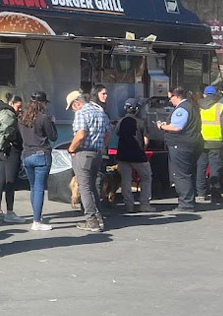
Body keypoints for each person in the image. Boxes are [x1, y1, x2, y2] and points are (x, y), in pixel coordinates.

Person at [67, 90, 111, 232]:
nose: (72, 110)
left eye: (71, 107)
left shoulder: (82, 113)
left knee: (84, 188)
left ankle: (91, 219)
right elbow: (108, 134)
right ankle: (98, 218)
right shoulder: (100, 112)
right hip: (96, 154)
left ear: (77, 102)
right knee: (92, 187)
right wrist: (100, 147)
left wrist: (71, 149)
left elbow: (80, 135)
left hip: (83, 153)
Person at [156, 87, 203, 213]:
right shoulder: (192, 106)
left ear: (175, 96)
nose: (170, 101)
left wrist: (162, 126)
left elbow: (176, 127)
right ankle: (190, 201)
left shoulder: (182, 109)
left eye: (170, 98)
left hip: (181, 145)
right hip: (193, 143)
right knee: (189, 173)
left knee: (181, 174)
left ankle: (186, 204)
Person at [18, 91, 58, 231]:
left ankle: (36, 217)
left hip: (26, 155)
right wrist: (53, 123)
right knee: (40, 188)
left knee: (33, 187)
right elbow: (53, 137)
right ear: (42, 103)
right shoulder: (44, 118)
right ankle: (36, 221)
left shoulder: (22, 117)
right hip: (41, 154)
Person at [115, 98, 155, 213]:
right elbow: (146, 141)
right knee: (146, 178)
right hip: (138, 156)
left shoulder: (120, 122)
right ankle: (144, 204)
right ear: (137, 109)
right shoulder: (141, 122)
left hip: (122, 155)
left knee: (126, 180)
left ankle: (129, 205)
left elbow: (117, 135)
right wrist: (142, 149)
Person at [0, 93, 26, 223]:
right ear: (12, 104)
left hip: (1, 151)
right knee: (10, 181)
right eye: (19, 106)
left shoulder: (1, 112)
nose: (20, 109)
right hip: (10, 151)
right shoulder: (10, 115)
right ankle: (10, 212)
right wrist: (13, 140)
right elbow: (8, 131)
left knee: (1, 179)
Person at [196, 85, 223, 204]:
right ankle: (215, 195)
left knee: (200, 168)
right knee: (215, 169)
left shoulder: (197, 106)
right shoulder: (220, 107)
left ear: (204, 94)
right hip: (216, 142)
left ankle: (200, 194)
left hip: (200, 142)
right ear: (215, 95)